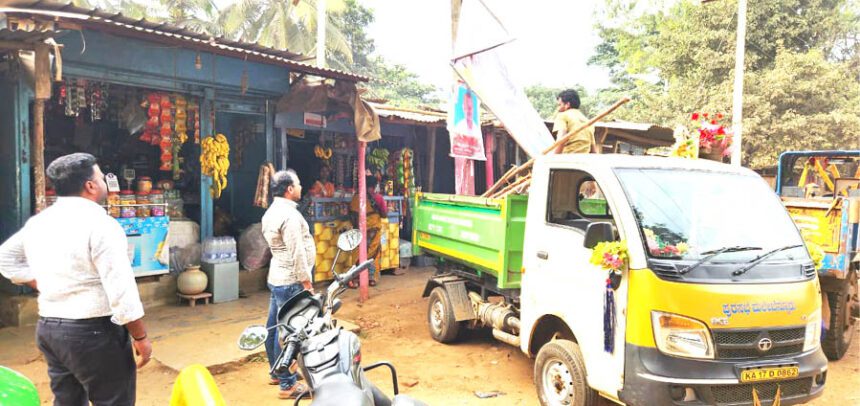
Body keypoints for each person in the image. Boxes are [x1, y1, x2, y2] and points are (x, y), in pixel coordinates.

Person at [0, 153, 151, 405]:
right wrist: (140, 337)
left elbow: (5, 258)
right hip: (93, 332)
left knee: (68, 401)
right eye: (101, 177)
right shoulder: (102, 225)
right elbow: (121, 291)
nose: (104, 182)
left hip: (50, 330)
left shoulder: (40, 222)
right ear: (90, 186)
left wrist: (42, 282)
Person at [261, 169, 314, 399]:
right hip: (291, 280)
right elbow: (297, 252)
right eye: (299, 184)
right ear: (289, 189)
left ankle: (276, 371)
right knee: (289, 332)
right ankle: (287, 384)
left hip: (277, 279)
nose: (301, 187)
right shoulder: (290, 216)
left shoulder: (271, 212)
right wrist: (306, 281)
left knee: (273, 327)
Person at [349, 176, 388, 288]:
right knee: (373, 253)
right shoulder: (378, 198)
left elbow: (351, 213)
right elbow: (384, 214)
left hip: (359, 231)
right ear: (375, 185)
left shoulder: (356, 198)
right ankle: (372, 278)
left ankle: (355, 279)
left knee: (357, 253)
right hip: (373, 230)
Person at [552, 89, 596, 154]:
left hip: (568, 158)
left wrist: (553, 159)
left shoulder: (562, 115)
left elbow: (561, 140)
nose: (558, 108)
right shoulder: (587, 121)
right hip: (584, 160)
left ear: (567, 105)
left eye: (559, 105)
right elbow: (593, 150)